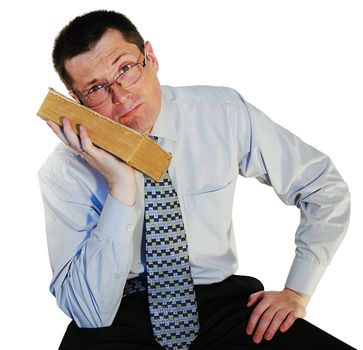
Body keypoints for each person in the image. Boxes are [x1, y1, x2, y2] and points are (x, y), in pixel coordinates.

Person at [38, 9, 354, 350]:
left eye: (125, 69)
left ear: (151, 58)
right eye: (96, 88)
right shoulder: (64, 173)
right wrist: (121, 187)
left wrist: (296, 292)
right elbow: (89, 313)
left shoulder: (222, 113)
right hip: (119, 314)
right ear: (78, 104)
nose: (120, 96)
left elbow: (323, 186)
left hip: (223, 305)